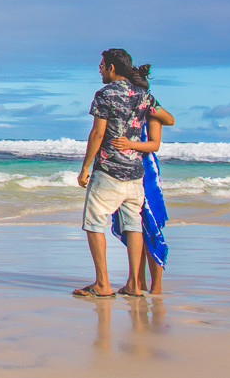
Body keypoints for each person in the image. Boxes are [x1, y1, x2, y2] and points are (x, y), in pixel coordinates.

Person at [73, 49, 165, 299]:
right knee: (134, 226)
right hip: (135, 172)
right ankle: (134, 284)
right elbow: (164, 118)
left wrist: (85, 167)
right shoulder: (144, 95)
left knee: (93, 224)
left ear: (112, 68)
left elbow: (98, 134)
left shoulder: (105, 94)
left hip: (109, 170)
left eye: (102, 65)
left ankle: (102, 284)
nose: (100, 69)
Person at [111, 73, 174, 295]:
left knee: (150, 226)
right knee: (133, 228)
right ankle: (137, 282)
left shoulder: (150, 110)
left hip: (146, 172)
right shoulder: (126, 111)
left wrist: (129, 143)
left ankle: (155, 287)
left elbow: (154, 144)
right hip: (125, 170)